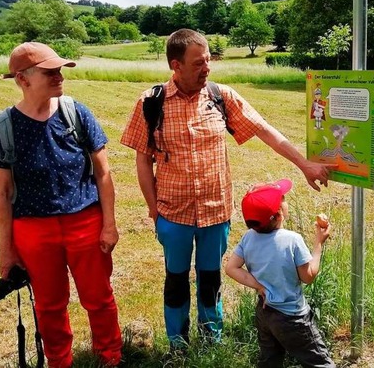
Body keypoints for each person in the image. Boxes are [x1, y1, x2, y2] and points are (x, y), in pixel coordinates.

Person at [120, 29, 334, 350]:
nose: (207, 68)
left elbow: (265, 131)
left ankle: (211, 342)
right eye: (198, 63)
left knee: (210, 279)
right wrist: (154, 209)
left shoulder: (221, 97)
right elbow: (142, 161)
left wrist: (304, 164)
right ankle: (178, 346)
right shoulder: (151, 103)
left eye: (208, 60)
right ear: (175, 66)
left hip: (215, 212)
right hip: (173, 213)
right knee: (176, 281)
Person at [0, 42, 122, 367]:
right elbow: (3, 194)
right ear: (23, 79)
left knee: (99, 297)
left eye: (60, 69)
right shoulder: (5, 126)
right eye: (50, 72)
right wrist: (6, 249)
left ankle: (111, 357)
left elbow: (103, 173)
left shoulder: (76, 113)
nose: (59, 76)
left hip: (85, 221)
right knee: (49, 305)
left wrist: (109, 224)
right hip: (34, 230)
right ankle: (60, 361)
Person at [225, 179, 335, 368]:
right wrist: (318, 244)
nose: (285, 200)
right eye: (283, 198)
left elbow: (231, 268)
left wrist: (259, 286)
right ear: (278, 215)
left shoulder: (249, 237)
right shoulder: (292, 240)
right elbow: (308, 276)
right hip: (293, 317)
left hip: (265, 312)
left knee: (270, 360)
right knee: (321, 363)